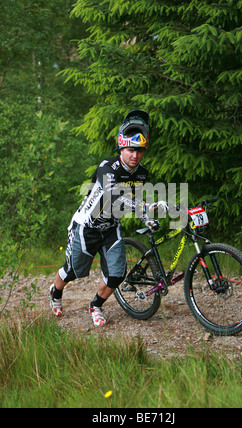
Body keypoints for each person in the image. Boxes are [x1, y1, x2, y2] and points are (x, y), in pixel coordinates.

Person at [49, 110, 163, 327]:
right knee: (74, 271)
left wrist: (145, 217)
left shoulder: (140, 173)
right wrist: (145, 206)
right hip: (86, 226)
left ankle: (96, 305)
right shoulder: (107, 167)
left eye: (140, 151)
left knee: (117, 274)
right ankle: (55, 292)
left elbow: (134, 199)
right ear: (121, 147)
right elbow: (114, 195)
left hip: (111, 228)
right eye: (131, 150)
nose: (135, 156)